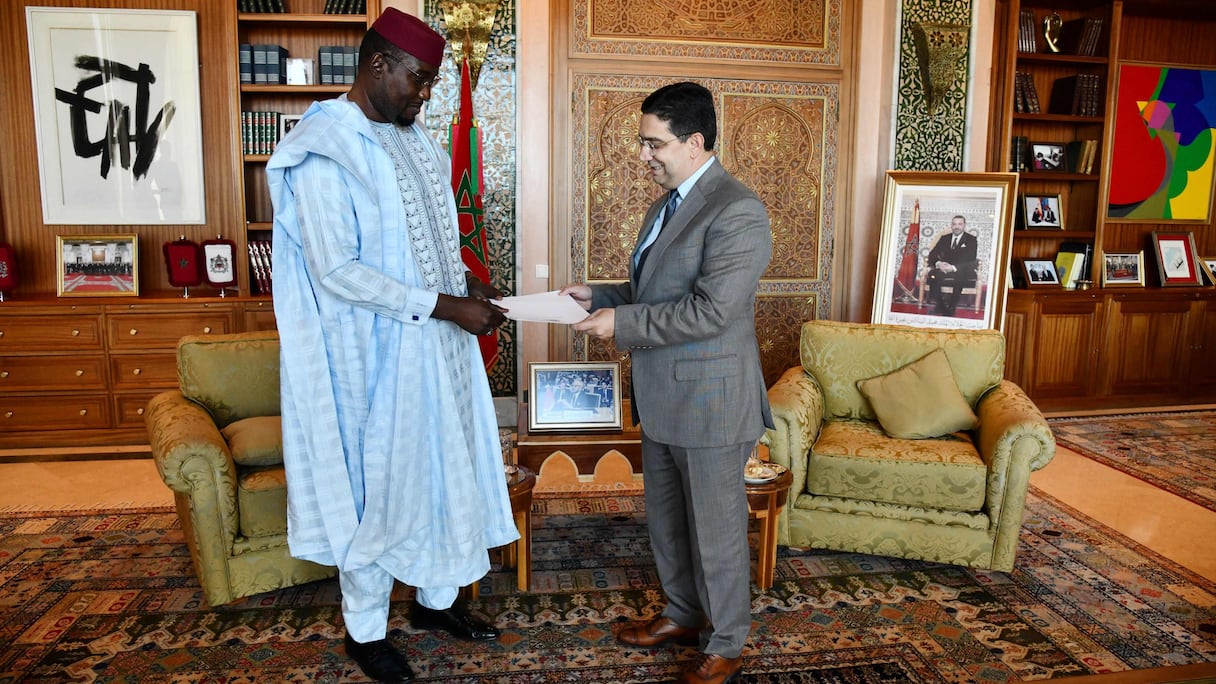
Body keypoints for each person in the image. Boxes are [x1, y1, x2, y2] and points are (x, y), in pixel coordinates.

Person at [266, 8, 518, 683]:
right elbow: (337, 269)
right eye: (419, 80)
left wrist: (466, 278)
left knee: (448, 469)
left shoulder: (419, 144)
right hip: (371, 362)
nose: (426, 94)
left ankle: (437, 602)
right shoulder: (325, 150)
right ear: (379, 65)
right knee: (378, 486)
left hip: (437, 354)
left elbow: (424, 245)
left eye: (434, 83)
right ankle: (366, 632)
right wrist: (446, 304)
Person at [560, 81, 773, 684]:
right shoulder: (665, 205)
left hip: (711, 401)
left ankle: (727, 642)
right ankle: (682, 614)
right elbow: (657, 293)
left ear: (696, 142)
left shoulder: (738, 210)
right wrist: (597, 295)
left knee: (717, 530)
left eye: (654, 143)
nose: (644, 154)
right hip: (660, 396)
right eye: (642, 142)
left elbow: (711, 310)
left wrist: (620, 322)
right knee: (668, 522)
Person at [923, 215, 978, 316]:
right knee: (932, 275)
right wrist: (939, 264)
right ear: (951, 225)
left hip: (961, 269)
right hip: (944, 269)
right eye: (954, 224)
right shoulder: (945, 238)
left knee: (961, 275)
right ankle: (943, 308)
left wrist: (952, 268)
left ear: (964, 225)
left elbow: (971, 258)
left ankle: (952, 306)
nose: (956, 227)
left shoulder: (971, 239)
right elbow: (933, 254)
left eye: (959, 224)